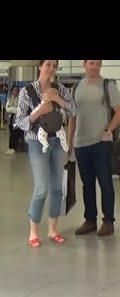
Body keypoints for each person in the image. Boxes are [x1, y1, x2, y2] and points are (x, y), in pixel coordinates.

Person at [15, 60, 76, 247]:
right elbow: (19, 122)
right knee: (41, 188)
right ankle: (33, 232)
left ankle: (52, 229)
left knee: (57, 188)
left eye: (54, 65)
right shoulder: (27, 92)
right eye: (47, 64)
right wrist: (38, 112)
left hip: (58, 141)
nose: (51, 68)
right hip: (36, 141)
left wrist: (59, 101)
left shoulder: (61, 90)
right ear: (40, 66)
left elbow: (73, 110)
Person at [68, 60, 120, 238]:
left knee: (105, 182)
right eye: (91, 63)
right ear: (84, 65)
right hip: (81, 143)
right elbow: (72, 116)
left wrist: (108, 130)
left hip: (101, 143)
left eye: (98, 63)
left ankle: (108, 220)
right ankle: (90, 219)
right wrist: (69, 141)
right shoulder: (76, 87)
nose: (95, 66)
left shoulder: (108, 85)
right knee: (87, 184)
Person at [5, 86, 21, 154]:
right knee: (11, 132)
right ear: (12, 91)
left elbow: (19, 110)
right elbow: (7, 108)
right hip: (10, 118)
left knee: (15, 133)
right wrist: (13, 109)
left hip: (16, 119)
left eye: (17, 90)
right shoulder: (10, 99)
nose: (15, 92)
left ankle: (14, 148)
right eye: (14, 90)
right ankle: (10, 147)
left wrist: (12, 109)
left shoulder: (20, 99)